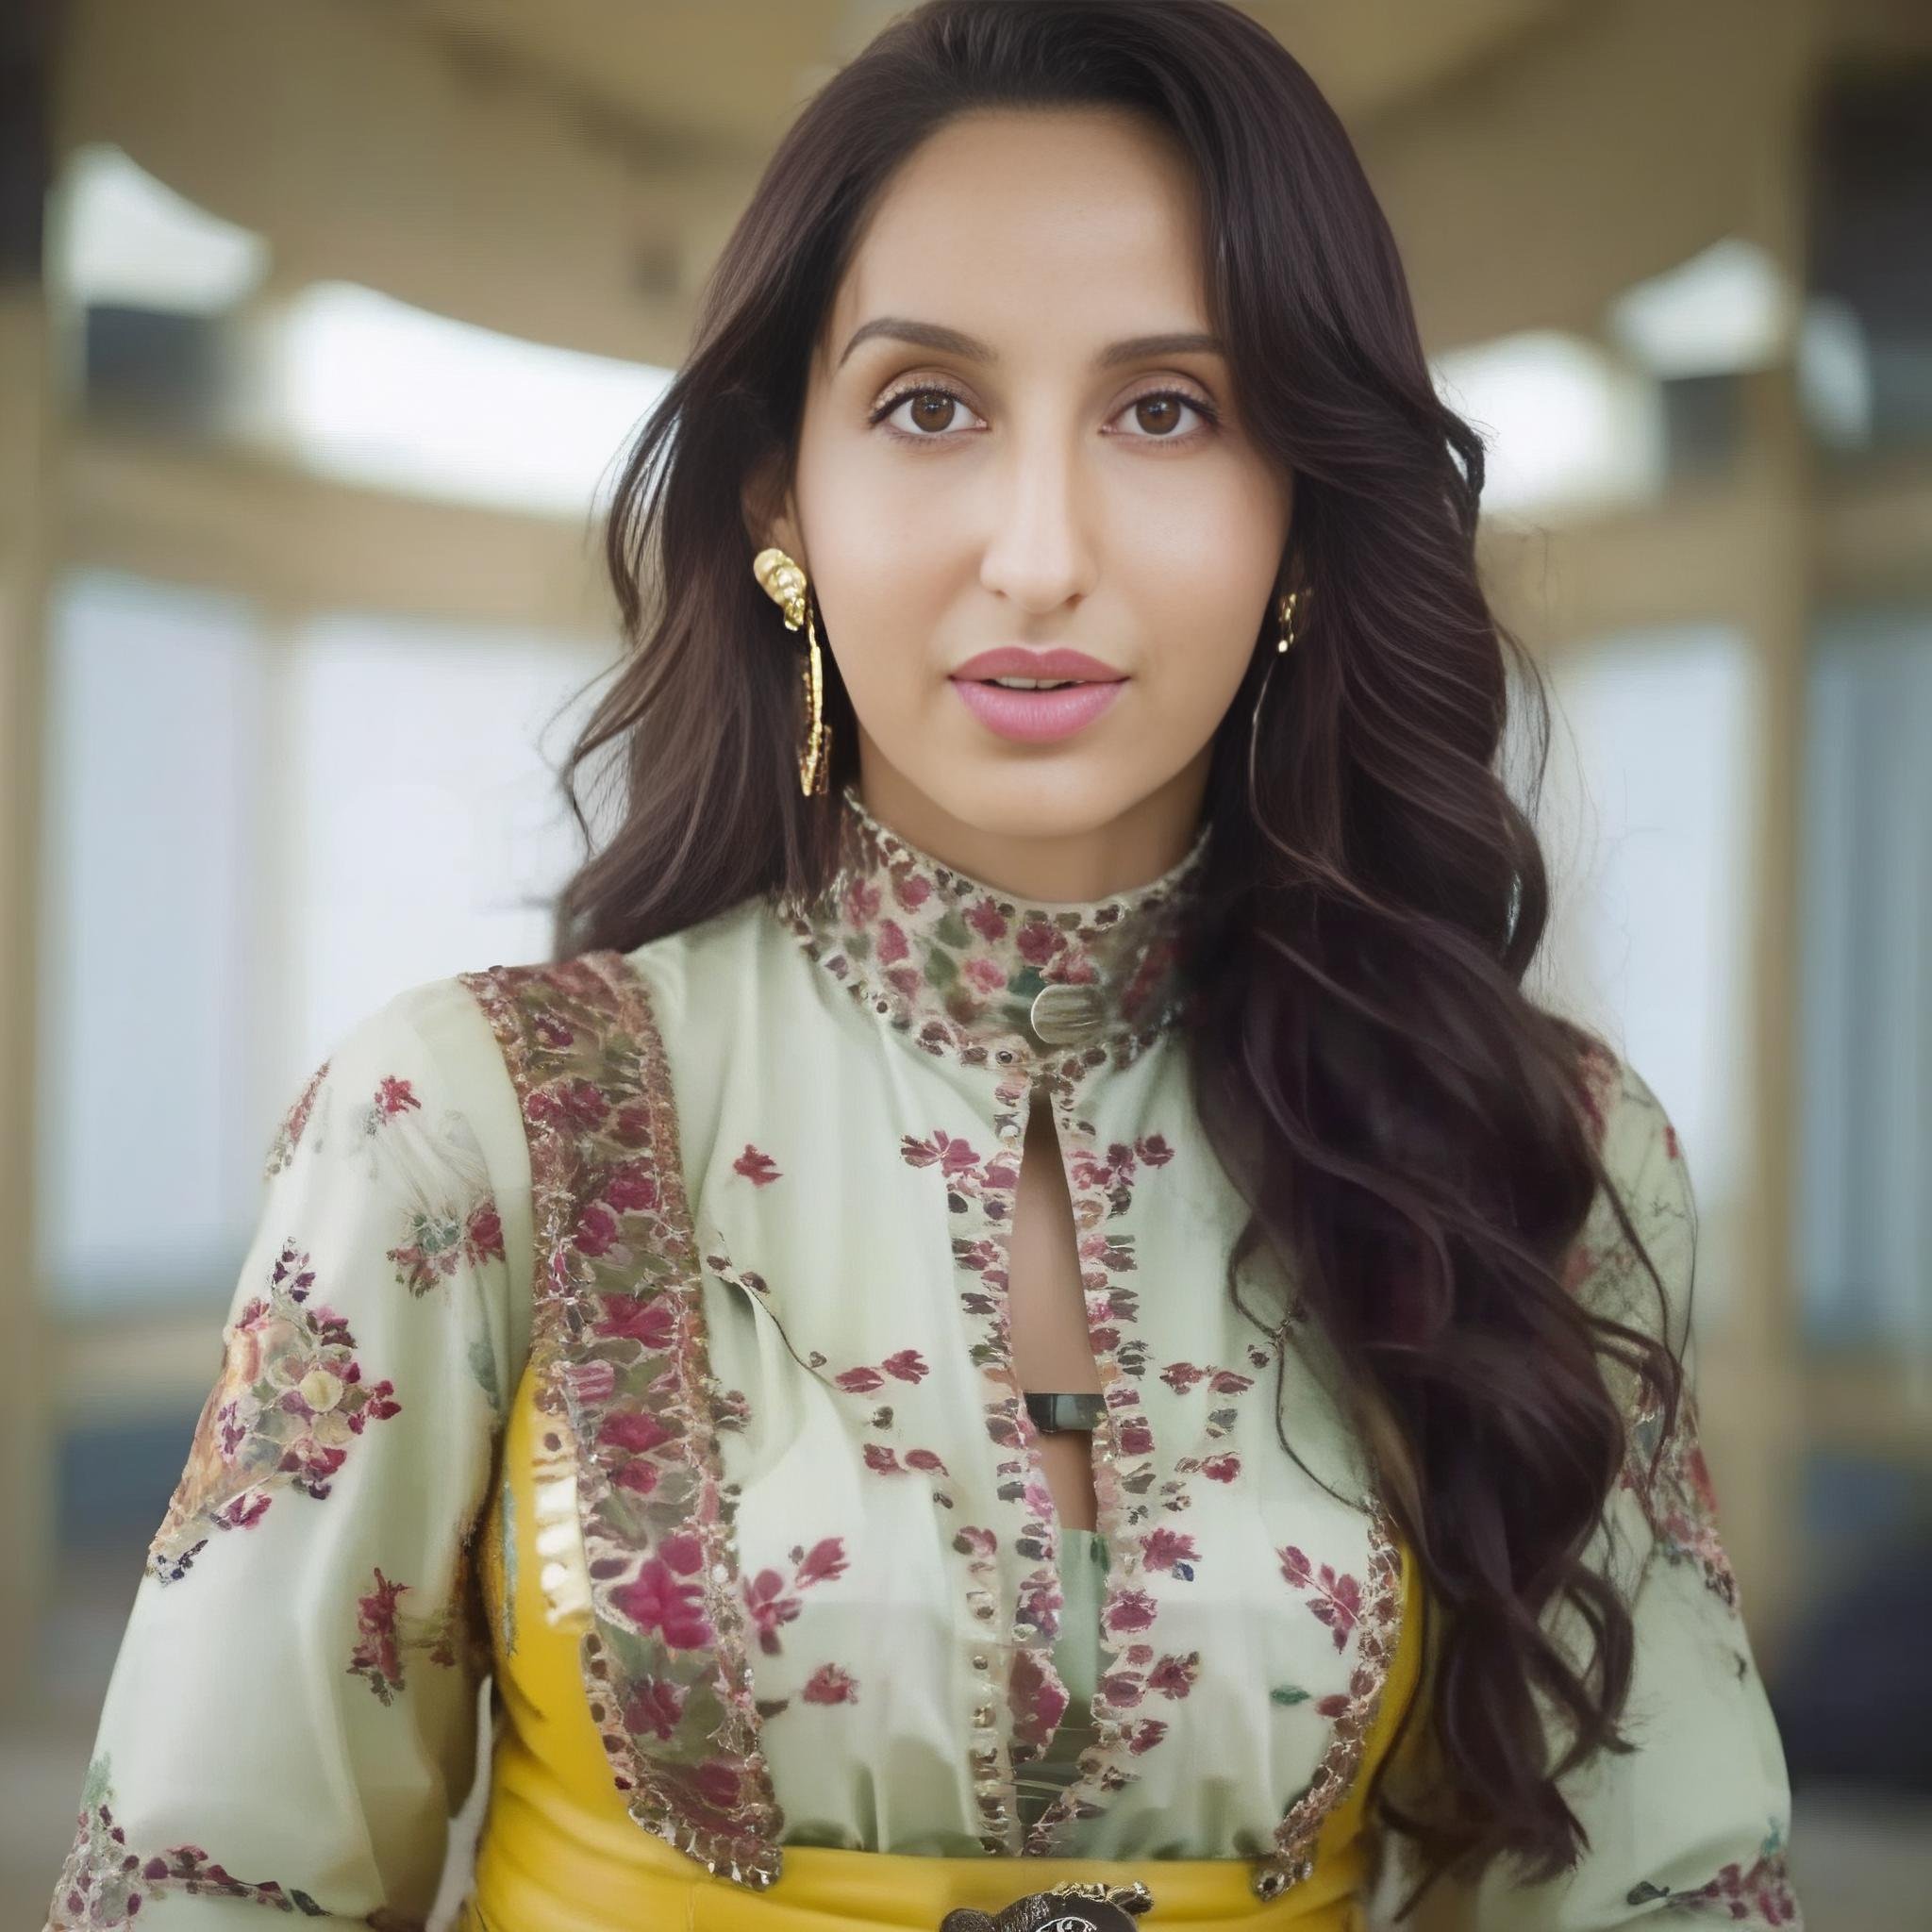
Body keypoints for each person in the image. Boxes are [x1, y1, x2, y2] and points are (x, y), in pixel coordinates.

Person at [44, 4, 1800, 1928]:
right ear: (774, 500)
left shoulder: (1530, 1160)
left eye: (1166, 409)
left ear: (1303, 515)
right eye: (927, 406)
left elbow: (1661, 1883)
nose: (1036, 552)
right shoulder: (466, 1131)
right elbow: (210, 1883)